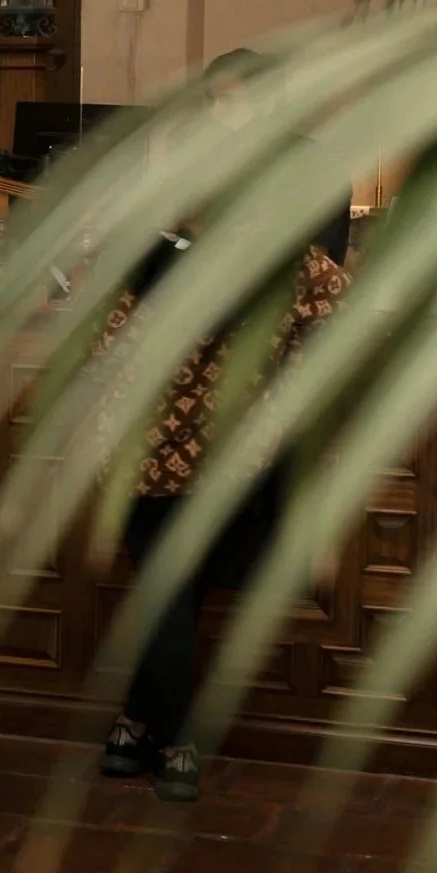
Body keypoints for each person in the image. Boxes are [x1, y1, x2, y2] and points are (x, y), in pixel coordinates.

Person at [99, 90, 350, 803]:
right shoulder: (292, 263)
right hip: (238, 461)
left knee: (166, 596)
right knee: (176, 596)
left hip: (150, 460)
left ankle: (163, 738)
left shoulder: (145, 262)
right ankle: (151, 729)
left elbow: (107, 357)